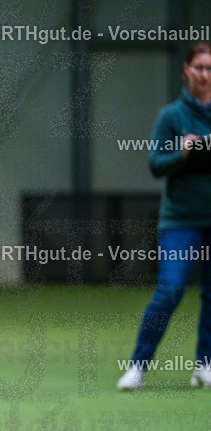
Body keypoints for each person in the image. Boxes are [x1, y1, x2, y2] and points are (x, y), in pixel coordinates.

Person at [118, 42, 211, 390]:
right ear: (186, 70)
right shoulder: (171, 117)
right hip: (181, 220)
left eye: (210, 68)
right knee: (170, 289)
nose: (205, 74)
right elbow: (156, 165)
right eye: (199, 67)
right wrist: (182, 153)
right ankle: (137, 366)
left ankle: (205, 365)